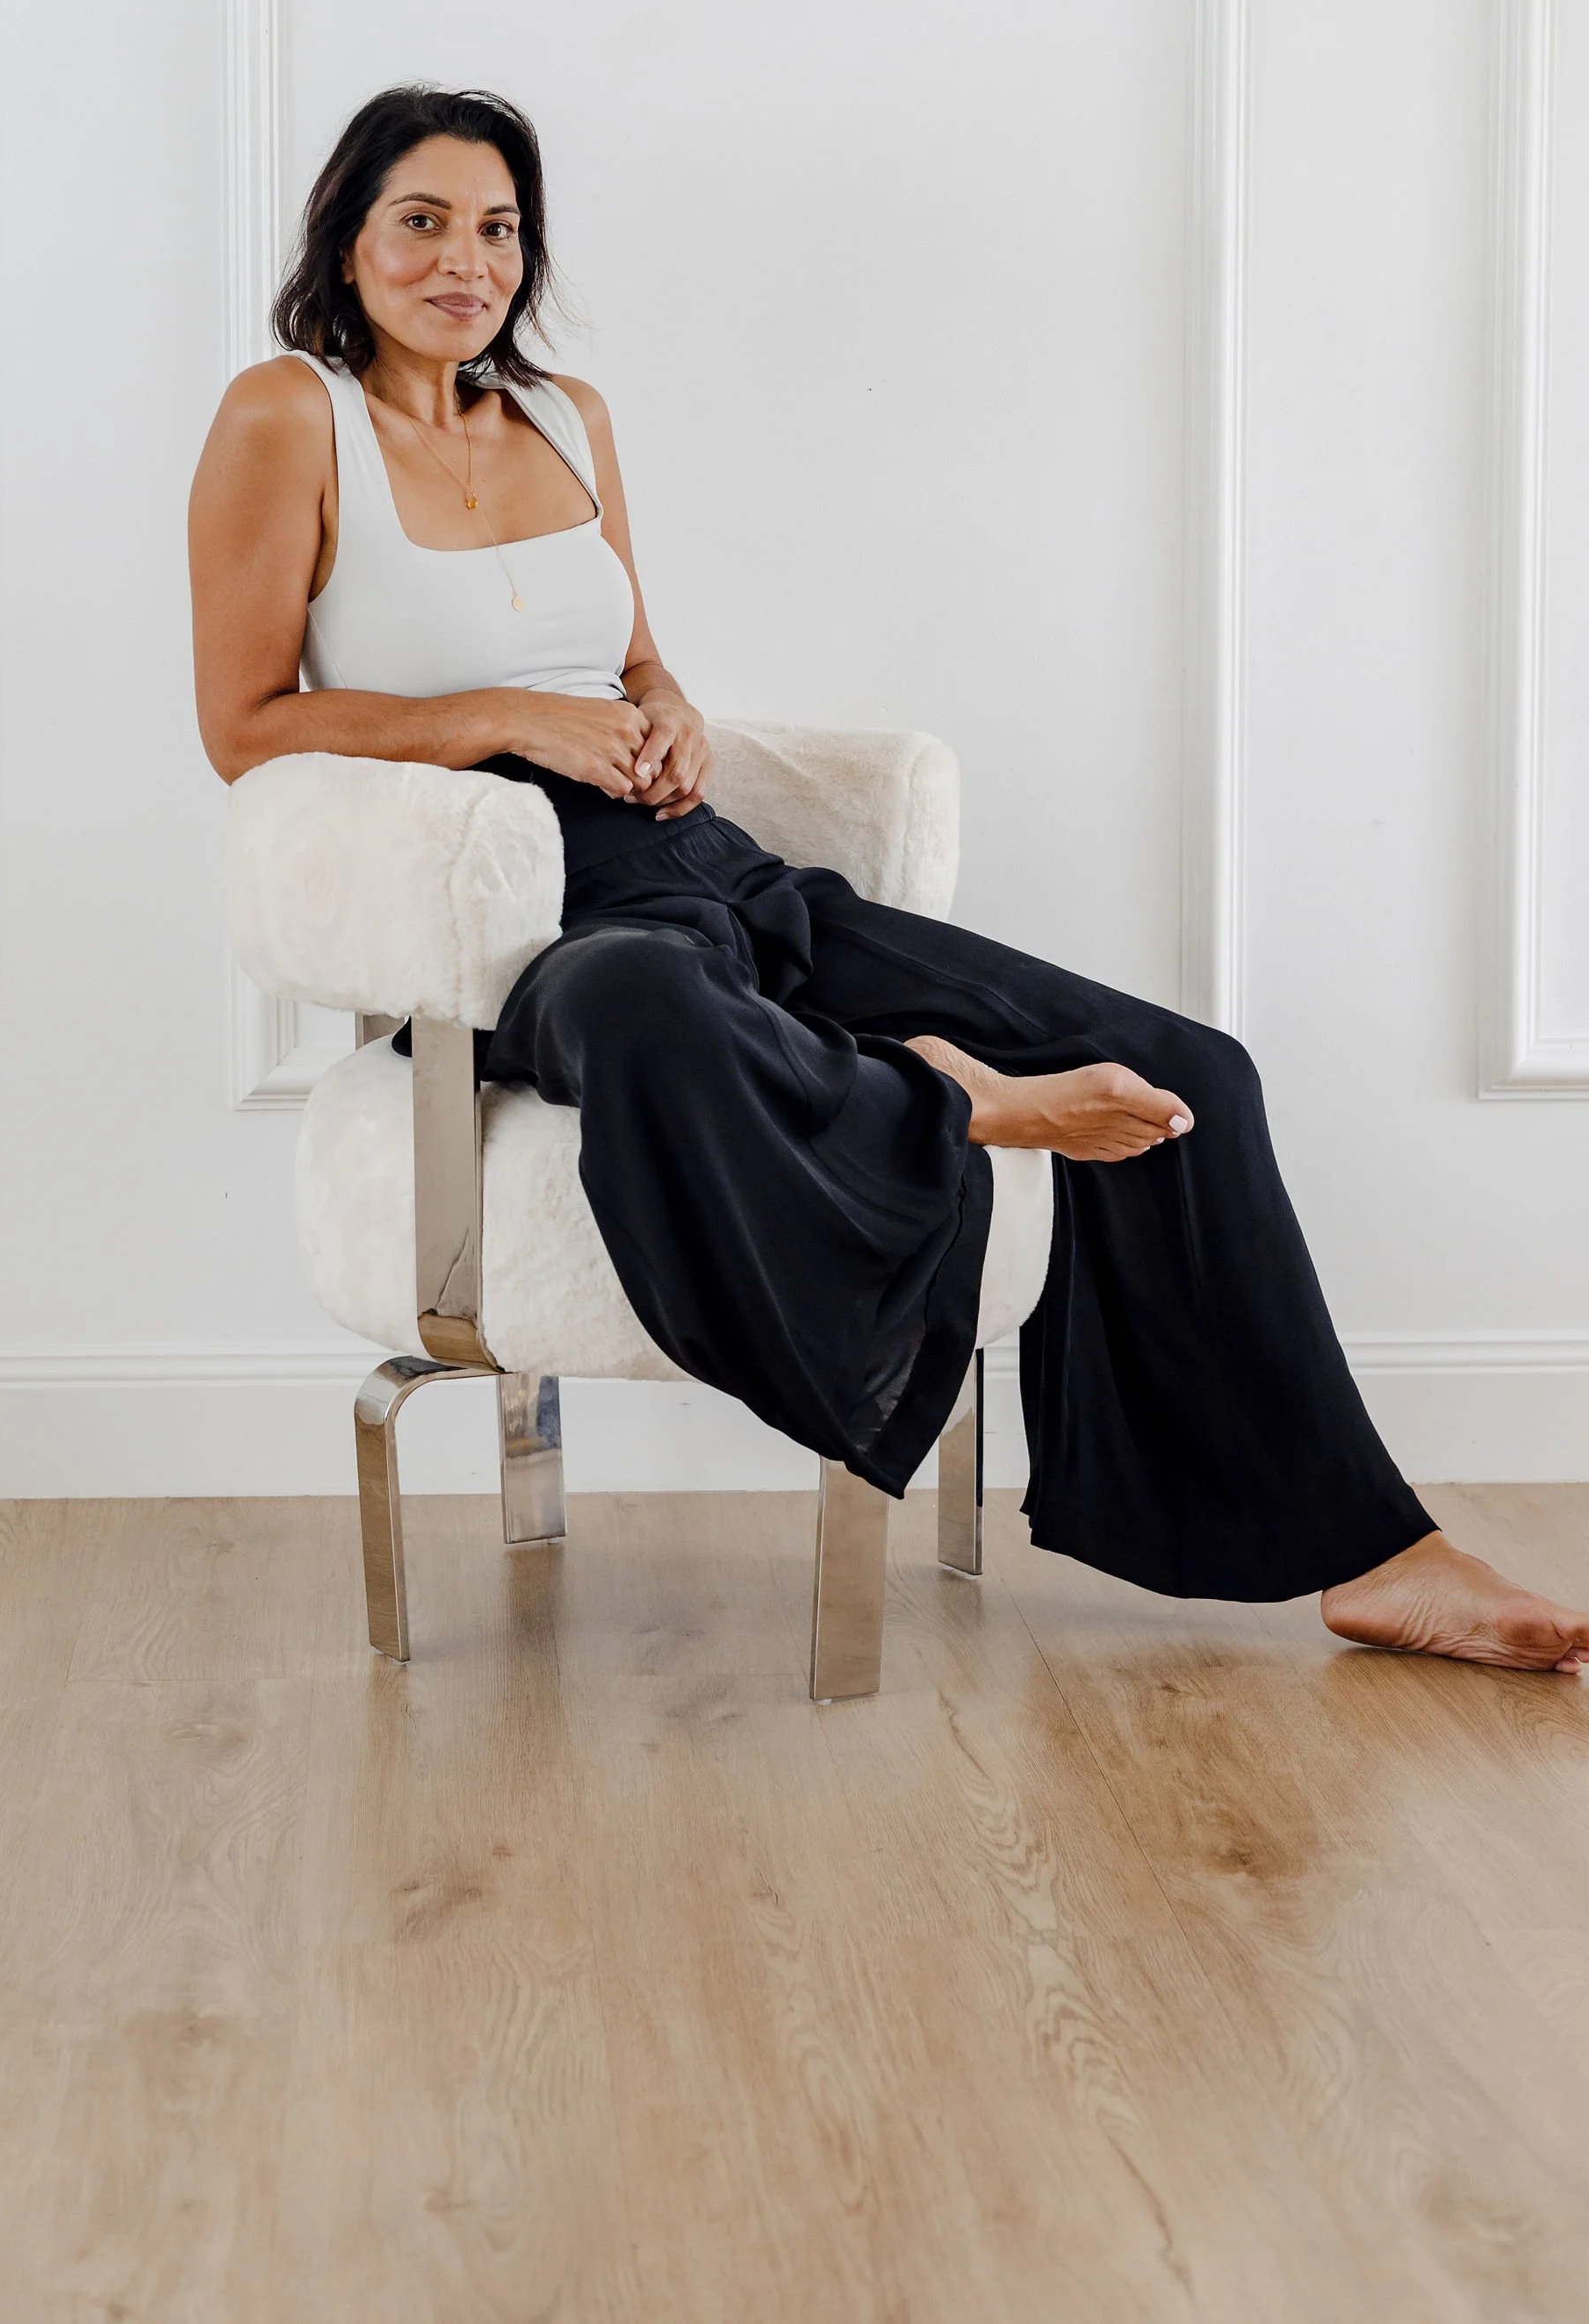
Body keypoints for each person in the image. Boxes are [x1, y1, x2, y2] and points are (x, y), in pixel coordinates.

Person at [191, 82, 1589, 1675]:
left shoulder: (567, 417)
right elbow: (246, 724)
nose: (467, 261)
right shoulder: (284, 413)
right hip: (509, 923)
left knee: (1196, 1070)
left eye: (498, 227)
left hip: (699, 862)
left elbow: (636, 653)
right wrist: (507, 721)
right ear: (349, 240)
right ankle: (954, 1108)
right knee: (651, 1008)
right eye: (422, 222)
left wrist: (671, 717)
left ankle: (1377, 1553)